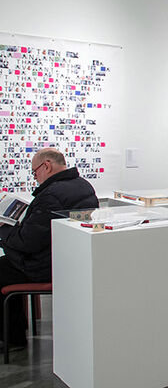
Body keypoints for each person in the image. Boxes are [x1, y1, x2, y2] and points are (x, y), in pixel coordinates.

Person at [0, 148, 98, 351]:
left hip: (43, 265)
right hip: (67, 259)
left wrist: (4, 230)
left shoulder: (51, 195)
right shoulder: (83, 186)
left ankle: (11, 338)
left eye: (35, 172)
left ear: (46, 166)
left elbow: (28, 242)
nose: (35, 177)